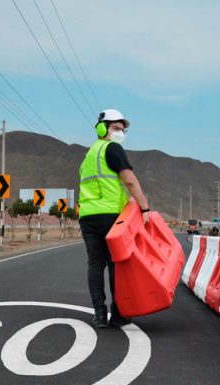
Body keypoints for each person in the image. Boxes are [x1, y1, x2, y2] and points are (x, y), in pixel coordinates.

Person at [78, 109, 150, 328]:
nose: (121, 133)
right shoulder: (113, 148)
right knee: (115, 265)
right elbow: (129, 180)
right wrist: (144, 207)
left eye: (123, 129)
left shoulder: (89, 154)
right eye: (116, 128)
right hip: (111, 216)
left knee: (95, 264)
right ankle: (118, 314)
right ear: (102, 129)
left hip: (88, 217)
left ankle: (99, 315)